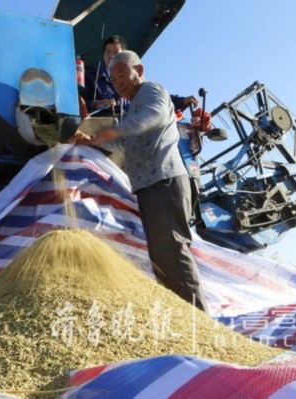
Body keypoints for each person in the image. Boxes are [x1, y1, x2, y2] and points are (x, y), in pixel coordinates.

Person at [70, 50, 208, 311]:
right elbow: (122, 140)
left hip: (165, 181)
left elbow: (153, 116)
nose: (117, 82)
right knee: (161, 259)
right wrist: (92, 140)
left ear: (139, 70)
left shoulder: (152, 91)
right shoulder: (132, 107)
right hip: (149, 187)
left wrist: (116, 128)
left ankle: (197, 321)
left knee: (173, 253)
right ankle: (180, 317)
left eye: (121, 74)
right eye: (113, 78)